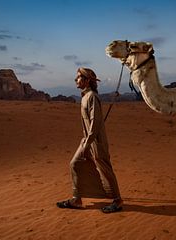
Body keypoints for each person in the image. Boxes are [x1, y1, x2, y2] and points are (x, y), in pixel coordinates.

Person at [56, 67, 123, 213]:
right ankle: (77, 199)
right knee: (75, 163)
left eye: (79, 77)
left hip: (96, 142)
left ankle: (117, 201)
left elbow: (95, 123)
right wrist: (85, 142)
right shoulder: (85, 97)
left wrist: (87, 143)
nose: (76, 79)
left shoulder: (92, 96)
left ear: (87, 81)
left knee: (105, 170)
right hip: (87, 140)